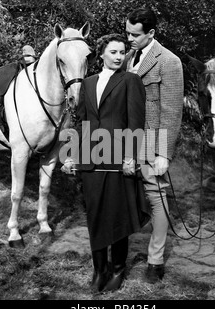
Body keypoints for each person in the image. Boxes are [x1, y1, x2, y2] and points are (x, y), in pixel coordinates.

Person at [61, 34, 149, 293]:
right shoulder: (87, 83)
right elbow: (80, 122)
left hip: (118, 158)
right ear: (101, 55)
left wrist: (132, 156)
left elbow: (136, 122)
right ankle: (100, 270)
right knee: (96, 215)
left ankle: (118, 269)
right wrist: (70, 154)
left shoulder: (130, 81)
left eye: (122, 52)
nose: (119, 56)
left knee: (117, 214)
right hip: (90, 159)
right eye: (113, 52)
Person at [125, 7, 184, 283]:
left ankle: (155, 261)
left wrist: (164, 153)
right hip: (124, 140)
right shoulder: (127, 57)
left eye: (135, 35)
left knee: (157, 197)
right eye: (127, 33)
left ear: (151, 33)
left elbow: (171, 112)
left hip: (151, 140)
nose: (129, 39)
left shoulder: (168, 61)